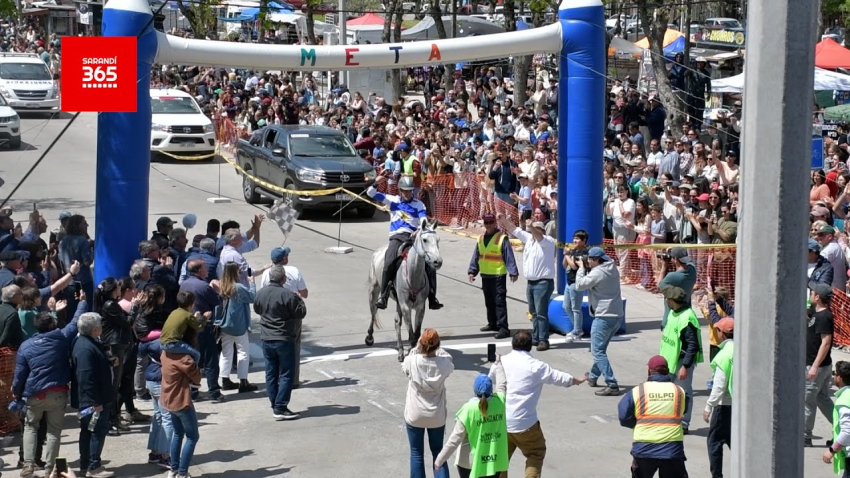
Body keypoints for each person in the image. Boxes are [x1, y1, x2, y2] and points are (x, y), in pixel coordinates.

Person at [13, 297, 87, 477]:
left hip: (34, 394)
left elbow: (20, 374)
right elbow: (76, 320)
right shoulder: (61, 337)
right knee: (54, 431)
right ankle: (49, 469)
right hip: (58, 393)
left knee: (31, 427)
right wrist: (82, 302)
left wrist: (16, 392)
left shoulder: (26, 345)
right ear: (52, 325)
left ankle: (28, 464)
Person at [499, 330, 585, 478]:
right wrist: (576, 380)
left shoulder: (501, 362)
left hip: (502, 422)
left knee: (501, 459)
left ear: (512, 344)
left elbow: (491, 381)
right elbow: (558, 377)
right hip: (526, 424)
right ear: (530, 346)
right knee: (536, 453)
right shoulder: (537, 366)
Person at [367, 174, 442, 311]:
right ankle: (383, 295)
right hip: (397, 237)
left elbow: (423, 220)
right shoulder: (392, 200)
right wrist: (375, 182)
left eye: (409, 191)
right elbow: (370, 193)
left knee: (430, 265)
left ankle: (432, 297)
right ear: (399, 190)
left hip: (413, 238)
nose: (407, 193)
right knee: (389, 260)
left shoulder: (419, 204)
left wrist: (419, 229)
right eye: (404, 190)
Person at [618, 355, 688, 478]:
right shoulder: (679, 391)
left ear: (649, 371)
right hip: (672, 450)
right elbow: (684, 410)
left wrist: (638, 424)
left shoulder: (638, 390)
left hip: (644, 449)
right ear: (667, 370)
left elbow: (624, 417)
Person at [253, 264, 307, 420]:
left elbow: (257, 309)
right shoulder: (288, 295)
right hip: (283, 338)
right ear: (283, 279)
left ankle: (274, 403)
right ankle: (280, 406)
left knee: (271, 373)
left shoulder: (261, 293)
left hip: (266, 338)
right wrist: (299, 300)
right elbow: (300, 313)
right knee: (286, 374)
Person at [435, 366, 508, 478]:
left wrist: (440, 460)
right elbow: (502, 384)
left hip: (469, 462)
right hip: (494, 461)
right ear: (491, 390)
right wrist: (498, 365)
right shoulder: (499, 402)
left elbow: (454, 440)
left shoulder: (468, 409)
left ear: (474, 391)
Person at [498, 216, 556, 351]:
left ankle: (543, 339)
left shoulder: (548, 241)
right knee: (533, 312)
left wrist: (530, 227)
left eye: (536, 229)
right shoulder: (530, 239)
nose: (533, 231)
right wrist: (503, 219)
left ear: (542, 230)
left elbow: (538, 236)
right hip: (531, 282)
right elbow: (514, 229)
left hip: (543, 282)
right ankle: (536, 337)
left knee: (541, 313)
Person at [402, 328, 454, 478]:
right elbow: (449, 359)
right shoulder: (443, 364)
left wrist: (416, 348)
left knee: (416, 453)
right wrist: (438, 348)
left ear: (421, 344)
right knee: (439, 454)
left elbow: (405, 365)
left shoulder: (413, 361)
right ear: (437, 346)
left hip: (415, 413)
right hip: (436, 415)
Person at [71, 312, 117, 478]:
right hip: (93, 402)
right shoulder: (84, 348)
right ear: (95, 329)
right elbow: (85, 378)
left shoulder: (89, 342)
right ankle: (93, 466)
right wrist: (94, 402)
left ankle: (87, 465)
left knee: (89, 431)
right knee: (95, 431)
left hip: (93, 400)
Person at [574, 246, 624, 396]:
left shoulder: (597, 273)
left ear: (596, 260)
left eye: (590, 259)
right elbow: (605, 258)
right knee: (600, 349)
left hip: (604, 316)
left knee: (597, 351)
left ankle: (612, 383)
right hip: (616, 315)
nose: (587, 261)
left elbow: (579, 285)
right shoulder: (611, 266)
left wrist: (581, 268)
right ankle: (593, 376)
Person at [659, 286, 703, 434]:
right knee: (669, 393)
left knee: (684, 393)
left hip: (681, 362)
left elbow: (692, 345)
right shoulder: (674, 312)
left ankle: (683, 423)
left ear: (671, 300)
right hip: (668, 362)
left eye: (667, 299)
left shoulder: (687, 317)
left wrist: (685, 366)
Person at [160, 323, 203, 478]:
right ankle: (182, 473)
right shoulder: (184, 358)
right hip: (181, 401)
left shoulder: (165, 352)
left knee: (178, 434)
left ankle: (173, 469)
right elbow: (196, 376)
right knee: (192, 436)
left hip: (168, 399)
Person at [178, 259, 223, 402]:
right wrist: (217, 290)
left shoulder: (184, 283)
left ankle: (193, 391)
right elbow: (217, 301)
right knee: (210, 359)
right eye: (205, 267)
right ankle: (214, 391)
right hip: (203, 326)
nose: (207, 270)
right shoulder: (203, 286)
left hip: (188, 327)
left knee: (193, 359)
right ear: (199, 271)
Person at [468, 213, 518, 340]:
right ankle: (492, 323)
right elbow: (476, 256)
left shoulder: (501, 238)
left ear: (495, 222)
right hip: (485, 275)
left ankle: (503, 328)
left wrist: (513, 271)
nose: (489, 225)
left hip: (498, 275)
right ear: (483, 223)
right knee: (489, 302)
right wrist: (472, 271)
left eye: (491, 222)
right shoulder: (480, 238)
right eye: (486, 222)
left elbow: (508, 255)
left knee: (499, 302)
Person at [215, 262, 258, 393]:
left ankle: (224, 379)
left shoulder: (222, 285)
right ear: (235, 273)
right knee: (243, 352)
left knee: (226, 352)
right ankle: (243, 381)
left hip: (225, 324)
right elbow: (252, 297)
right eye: (239, 271)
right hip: (239, 325)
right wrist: (252, 282)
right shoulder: (238, 287)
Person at [806, 281, 836, 447]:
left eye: (812, 292)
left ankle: (804, 436)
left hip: (816, 366)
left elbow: (825, 342)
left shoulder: (824, 316)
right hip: (821, 366)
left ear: (817, 297)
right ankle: (844, 428)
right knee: (822, 398)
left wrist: (815, 366)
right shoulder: (816, 312)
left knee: (807, 400)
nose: (810, 294)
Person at [704, 317, 733, 478]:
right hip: (738, 405)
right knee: (734, 440)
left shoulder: (724, 355)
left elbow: (719, 385)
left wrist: (709, 406)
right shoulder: (742, 350)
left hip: (724, 406)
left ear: (723, 333)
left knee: (714, 443)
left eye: (718, 330)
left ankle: (717, 476)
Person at [657, 247, 697, 328]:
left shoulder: (672, 276)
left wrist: (664, 266)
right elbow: (690, 262)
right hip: (686, 317)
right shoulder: (693, 270)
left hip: (671, 318)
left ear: (675, 259)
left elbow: (659, 286)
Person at [561, 230, 589, 342]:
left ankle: (577, 331)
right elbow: (565, 265)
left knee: (576, 308)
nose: (574, 240)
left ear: (584, 241)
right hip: (569, 282)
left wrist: (567, 255)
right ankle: (577, 328)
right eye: (574, 238)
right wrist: (566, 255)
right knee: (566, 306)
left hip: (576, 283)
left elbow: (573, 266)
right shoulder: (573, 251)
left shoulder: (584, 253)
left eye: (577, 239)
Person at [824, 360, 850, 477]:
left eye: (835, 374)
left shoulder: (844, 401)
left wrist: (831, 450)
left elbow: (847, 432)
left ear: (839, 378)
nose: (834, 377)